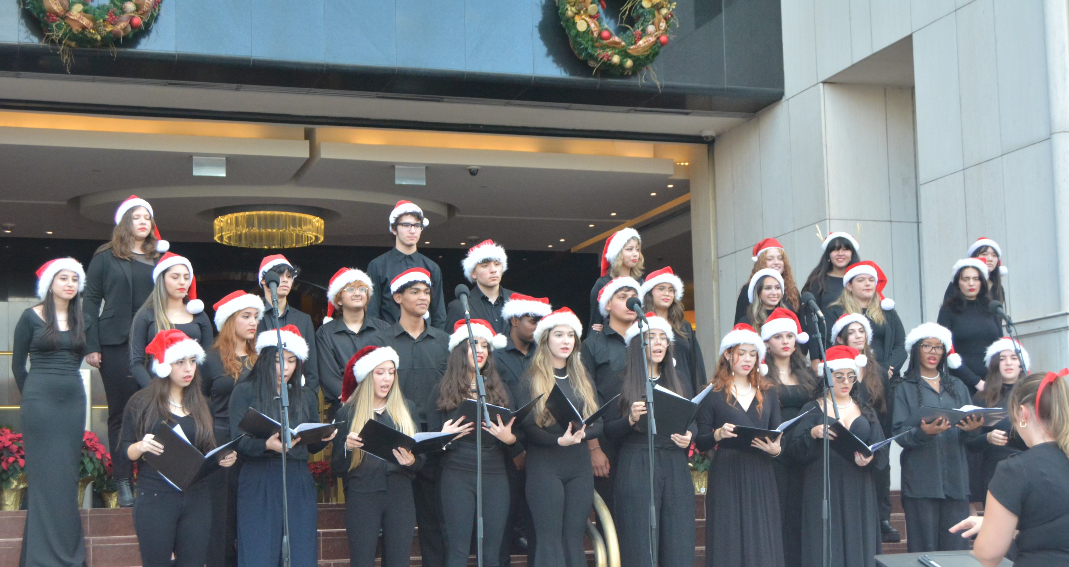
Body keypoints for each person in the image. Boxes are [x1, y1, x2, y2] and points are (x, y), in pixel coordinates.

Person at [121, 329, 238, 567]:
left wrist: (224, 458)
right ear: (164, 366)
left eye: (193, 361)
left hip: (197, 499)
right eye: (180, 362)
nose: (188, 369)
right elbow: (124, 451)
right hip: (155, 497)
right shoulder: (141, 403)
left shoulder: (203, 405)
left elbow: (208, 449)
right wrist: (141, 446)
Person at [82, 195, 167, 506]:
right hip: (114, 343)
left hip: (152, 345)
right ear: (124, 223)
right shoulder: (105, 257)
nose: (143, 222)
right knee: (120, 413)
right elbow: (90, 302)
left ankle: (148, 479)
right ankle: (122, 483)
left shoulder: (159, 257)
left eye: (148, 217)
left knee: (153, 410)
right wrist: (91, 346)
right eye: (136, 217)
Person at [229, 325, 336, 567]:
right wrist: (266, 445)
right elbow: (237, 441)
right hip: (259, 477)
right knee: (259, 551)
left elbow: (309, 446)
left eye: (291, 361)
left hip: (297, 477)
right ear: (266, 360)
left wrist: (322, 438)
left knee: (300, 552)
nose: (285, 368)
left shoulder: (305, 395)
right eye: (279, 361)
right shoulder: (245, 391)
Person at [368, 266, 450, 567]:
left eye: (427, 291)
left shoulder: (444, 341)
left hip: (433, 441)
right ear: (398, 297)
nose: (423, 297)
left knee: (434, 519)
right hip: (393, 438)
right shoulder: (382, 339)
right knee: (391, 524)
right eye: (415, 291)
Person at [950, 369, 1069, 567]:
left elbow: (988, 555)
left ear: (1022, 413)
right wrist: (999, 526)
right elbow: (1053, 524)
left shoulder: (1015, 469)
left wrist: (990, 531)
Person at [604, 312, 696, 567]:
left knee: (679, 541)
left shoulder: (679, 380)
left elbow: (693, 421)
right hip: (637, 461)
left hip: (674, 462)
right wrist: (630, 420)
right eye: (650, 337)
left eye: (662, 338)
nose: (658, 343)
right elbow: (608, 431)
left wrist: (690, 436)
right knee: (639, 542)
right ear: (637, 344)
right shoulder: (620, 380)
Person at [14, 258, 88, 567]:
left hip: (72, 402)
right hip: (40, 403)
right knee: (44, 478)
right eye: (63, 278)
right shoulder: (29, 317)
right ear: (50, 284)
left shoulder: (82, 318)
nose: (70, 283)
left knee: (66, 477)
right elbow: (18, 366)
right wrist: (33, 397)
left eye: (74, 279)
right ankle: (42, 557)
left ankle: (66, 554)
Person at [429, 320, 520, 567]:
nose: (480, 350)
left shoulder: (500, 390)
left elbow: (516, 440)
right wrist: (443, 437)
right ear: (460, 350)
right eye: (473, 344)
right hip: (456, 471)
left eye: (484, 346)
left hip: (495, 472)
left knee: (492, 551)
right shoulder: (442, 389)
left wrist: (508, 438)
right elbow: (426, 443)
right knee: (457, 551)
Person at [517, 307, 602, 567]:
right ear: (546, 340)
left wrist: (584, 431)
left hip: (578, 466)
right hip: (545, 465)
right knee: (549, 539)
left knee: (574, 538)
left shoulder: (582, 378)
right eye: (559, 335)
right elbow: (527, 428)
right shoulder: (530, 379)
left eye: (571, 335)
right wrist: (558, 440)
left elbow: (600, 423)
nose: (566, 341)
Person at [786, 345, 886, 567]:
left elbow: (880, 448)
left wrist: (871, 458)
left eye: (850, 376)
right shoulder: (812, 408)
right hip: (822, 485)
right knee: (825, 545)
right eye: (839, 376)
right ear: (827, 377)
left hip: (858, 487)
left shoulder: (865, 409)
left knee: (858, 542)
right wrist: (812, 434)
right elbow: (791, 451)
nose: (845, 382)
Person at [694, 323, 785, 567]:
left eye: (752, 353)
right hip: (727, 470)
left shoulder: (768, 392)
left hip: (760, 470)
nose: (747, 359)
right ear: (727, 354)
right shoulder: (712, 393)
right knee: (728, 534)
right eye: (741, 352)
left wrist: (776, 449)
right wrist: (717, 435)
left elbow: (778, 435)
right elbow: (700, 439)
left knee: (761, 535)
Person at [892, 323, 984, 552]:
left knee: (956, 549)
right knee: (924, 549)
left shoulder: (957, 385)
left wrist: (973, 428)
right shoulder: (904, 387)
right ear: (916, 350)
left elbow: (970, 437)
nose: (933, 352)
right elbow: (899, 433)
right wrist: (923, 433)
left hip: (956, 479)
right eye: (927, 346)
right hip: (922, 481)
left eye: (938, 347)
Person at [331, 345, 424, 567]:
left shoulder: (406, 409)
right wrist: (347, 447)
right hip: (362, 494)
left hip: (399, 495)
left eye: (391, 372)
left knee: (399, 560)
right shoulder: (348, 413)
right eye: (380, 372)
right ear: (367, 376)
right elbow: (337, 467)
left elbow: (421, 462)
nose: (387, 378)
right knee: (362, 560)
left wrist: (412, 461)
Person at [201, 290, 263, 567]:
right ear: (229, 320)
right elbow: (198, 403)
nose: (253, 322)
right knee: (220, 517)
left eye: (256, 317)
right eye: (246, 316)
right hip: (221, 440)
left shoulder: (262, 359)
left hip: (254, 441)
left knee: (250, 514)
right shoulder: (209, 359)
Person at [828, 313, 897, 543]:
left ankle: (883, 518)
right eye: (852, 332)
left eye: (862, 331)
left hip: (873, 428)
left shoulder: (877, 369)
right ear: (841, 339)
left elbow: (885, 406)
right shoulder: (836, 370)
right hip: (849, 427)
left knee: (880, 468)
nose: (858, 336)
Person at [493, 293, 552, 564]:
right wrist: (515, 448)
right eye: (533, 320)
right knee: (503, 523)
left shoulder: (544, 357)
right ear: (515, 319)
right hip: (505, 450)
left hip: (542, 449)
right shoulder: (495, 356)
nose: (538, 326)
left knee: (539, 524)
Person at [761, 307, 818, 565]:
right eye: (778, 337)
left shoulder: (807, 374)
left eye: (789, 336)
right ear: (767, 343)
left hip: (804, 450)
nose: (785, 341)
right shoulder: (761, 375)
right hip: (774, 453)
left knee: (801, 516)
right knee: (777, 516)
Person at [582, 276, 641, 510]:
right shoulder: (592, 344)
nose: (629, 302)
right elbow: (585, 396)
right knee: (613, 511)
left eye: (633, 297)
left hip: (640, 438)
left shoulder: (646, 340)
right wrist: (593, 448)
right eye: (622, 297)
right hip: (606, 440)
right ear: (607, 305)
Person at [128, 251, 212, 389]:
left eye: (186, 277)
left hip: (192, 390)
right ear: (162, 279)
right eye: (175, 277)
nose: (182, 282)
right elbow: (136, 363)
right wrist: (152, 391)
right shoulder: (145, 314)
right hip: (157, 389)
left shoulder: (200, 316)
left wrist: (197, 390)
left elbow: (207, 359)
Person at [316, 267, 389, 419]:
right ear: (339, 299)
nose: (357, 293)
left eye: (362, 289)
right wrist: (353, 398)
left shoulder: (383, 329)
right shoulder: (326, 333)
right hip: (344, 409)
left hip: (381, 407)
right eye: (350, 289)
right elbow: (328, 376)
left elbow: (390, 368)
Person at [965, 338, 1030, 507]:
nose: (1008, 362)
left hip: (1029, 468)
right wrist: (987, 438)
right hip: (995, 471)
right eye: (1002, 359)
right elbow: (969, 442)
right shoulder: (981, 399)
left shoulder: (1033, 395)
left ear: (1022, 364)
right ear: (995, 365)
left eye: (1014, 358)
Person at [366, 200, 447, 329]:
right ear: (394, 229)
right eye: (406, 225)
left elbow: (439, 314)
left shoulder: (432, 267)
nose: (412, 230)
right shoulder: (378, 265)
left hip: (425, 342)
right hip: (388, 341)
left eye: (417, 225)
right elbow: (372, 313)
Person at [823, 261, 906, 379]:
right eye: (861, 280)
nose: (867, 284)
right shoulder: (835, 311)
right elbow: (831, 346)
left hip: (888, 376)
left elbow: (900, 346)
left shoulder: (887, 312)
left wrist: (884, 369)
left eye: (871, 280)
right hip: (852, 377)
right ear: (849, 285)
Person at [256, 254, 319, 395]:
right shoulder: (253, 316)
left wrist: (309, 401)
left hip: (295, 395)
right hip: (259, 394)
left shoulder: (304, 319)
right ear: (263, 279)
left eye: (289, 276)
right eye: (279, 275)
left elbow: (311, 370)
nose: (285, 280)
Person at [938, 258, 1001, 394]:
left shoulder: (991, 308)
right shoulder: (948, 310)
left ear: (982, 282)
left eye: (976, 279)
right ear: (957, 283)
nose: (971, 283)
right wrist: (976, 382)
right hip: (962, 385)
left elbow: (1000, 345)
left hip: (993, 383)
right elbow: (947, 351)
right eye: (965, 279)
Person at [642, 266, 707, 395]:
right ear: (650, 292)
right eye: (661, 288)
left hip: (686, 393)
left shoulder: (684, 327)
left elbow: (696, 366)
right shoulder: (642, 326)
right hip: (655, 395)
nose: (667, 293)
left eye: (671, 290)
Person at [801, 232, 860, 364]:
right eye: (835, 249)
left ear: (852, 253)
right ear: (828, 254)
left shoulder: (860, 280)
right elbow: (811, 321)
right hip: (828, 350)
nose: (840, 253)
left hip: (858, 350)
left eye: (845, 249)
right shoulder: (818, 282)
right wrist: (815, 358)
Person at [446, 240, 513, 333]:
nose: (493, 270)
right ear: (473, 273)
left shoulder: (519, 301)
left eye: (497, 264)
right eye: (485, 265)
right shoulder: (458, 306)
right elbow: (452, 345)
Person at [733, 238, 801, 323]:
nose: (776, 262)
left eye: (780, 258)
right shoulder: (748, 290)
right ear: (761, 263)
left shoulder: (792, 291)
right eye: (770, 259)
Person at [589, 228, 643, 331]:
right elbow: (595, 323)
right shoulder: (603, 284)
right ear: (618, 253)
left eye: (637, 249)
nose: (635, 253)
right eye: (629, 249)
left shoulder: (640, 282)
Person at [944, 237, 1008, 305]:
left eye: (994, 255)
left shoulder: (997, 287)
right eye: (984, 254)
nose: (990, 259)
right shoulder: (959, 283)